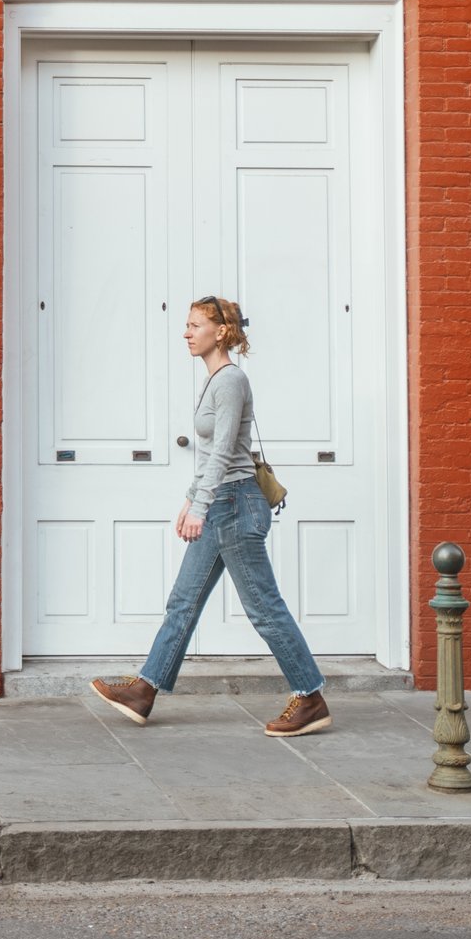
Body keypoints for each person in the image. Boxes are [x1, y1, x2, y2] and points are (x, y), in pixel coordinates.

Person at [90, 295, 329, 738]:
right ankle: (144, 690)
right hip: (221, 502)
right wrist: (191, 498)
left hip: (233, 505)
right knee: (184, 602)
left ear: (220, 332)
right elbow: (214, 453)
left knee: (263, 609)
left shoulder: (230, 380)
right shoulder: (216, 379)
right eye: (186, 324)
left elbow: (223, 452)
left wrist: (201, 505)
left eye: (195, 325)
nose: (186, 332)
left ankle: (310, 696)